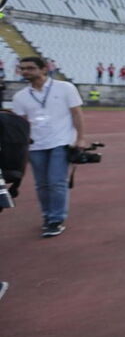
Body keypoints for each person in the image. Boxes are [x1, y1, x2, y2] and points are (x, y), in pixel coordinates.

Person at [12, 56, 87, 237]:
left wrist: (81, 138)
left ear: (44, 69)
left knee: (56, 182)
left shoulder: (65, 88)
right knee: (42, 185)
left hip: (61, 141)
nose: (26, 72)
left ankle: (56, 219)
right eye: (23, 69)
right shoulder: (20, 97)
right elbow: (21, 124)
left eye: (30, 68)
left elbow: (77, 113)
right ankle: (47, 216)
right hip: (35, 145)